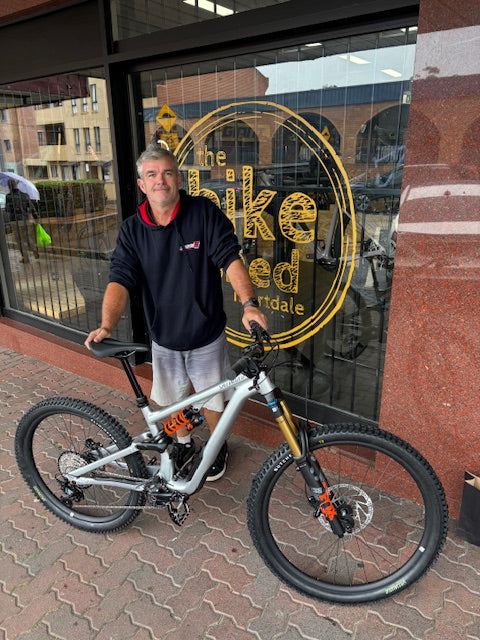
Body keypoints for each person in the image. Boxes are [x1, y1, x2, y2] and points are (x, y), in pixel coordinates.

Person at [85, 146, 267, 481]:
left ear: (178, 179)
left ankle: (216, 447)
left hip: (206, 332)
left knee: (214, 400)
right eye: (152, 175)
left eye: (167, 173)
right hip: (164, 336)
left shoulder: (203, 214)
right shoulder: (132, 230)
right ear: (142, 184)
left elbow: (230, 259)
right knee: (172, 401)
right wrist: (107, 325)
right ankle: (183, 443)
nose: (161, 181)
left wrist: (249, 304)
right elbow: (119, 280)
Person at [5, 178, 38, 263]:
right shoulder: (25, 195)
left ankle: (25, 258)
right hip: (25, 220)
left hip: (15, 220)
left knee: (19, 240)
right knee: (27, 236)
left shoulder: (8, 196)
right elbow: (31, 207)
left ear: (9, 186)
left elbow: (7, 209)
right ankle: (34, 250)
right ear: (16, 185)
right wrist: (35, 217)